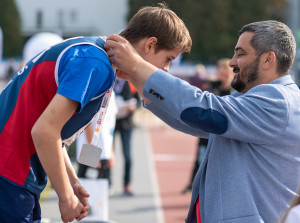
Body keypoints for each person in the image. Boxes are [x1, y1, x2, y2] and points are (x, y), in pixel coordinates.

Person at [0, 3, 192, 223]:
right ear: (150, 45)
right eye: (168, 59)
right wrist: (65, 197)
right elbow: (44, 131)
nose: (166, 69)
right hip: (10, 172)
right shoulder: (95, 64)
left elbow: (52, 132)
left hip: (13, 171)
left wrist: (72, 182)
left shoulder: (95, 53)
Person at [105, 20, 300, 223]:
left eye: (241, 54)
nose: (232, 62)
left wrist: (136, 65)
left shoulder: (278, 101)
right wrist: (136, 77)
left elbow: (203, 110)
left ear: (268, 60)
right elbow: (192, 119)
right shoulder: (262, 98)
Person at [183, 58, 234, 194]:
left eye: (226, 74)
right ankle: (193, 185)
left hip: (223, 135)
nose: (222, 77)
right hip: (206, 133)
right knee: (200, 159)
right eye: (220, 73)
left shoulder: (234, 92)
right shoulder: (211, 87)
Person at [76, 91, 117, 183]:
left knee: (103, 187)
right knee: (84, 185)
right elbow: (87, 122)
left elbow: (111, 125)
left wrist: (111, 152)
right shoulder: (93, 91)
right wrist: (92, 152)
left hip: (104, 150)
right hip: (89, 148)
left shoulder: (111, 93)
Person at [114, 79, 140, 195]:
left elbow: (138, 102)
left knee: (127, 156)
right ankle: (107, 183)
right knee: (107, 154)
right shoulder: (109, 79)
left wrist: (133, 107)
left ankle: (127, 185)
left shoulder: (130, 82)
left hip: (126, 123)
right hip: (110, 123)